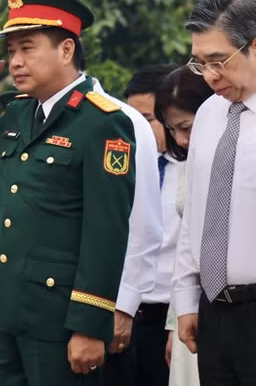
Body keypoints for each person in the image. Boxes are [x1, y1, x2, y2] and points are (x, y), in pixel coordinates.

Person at [0, 0, 136, 386]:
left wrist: (88, 324)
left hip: (61, 321)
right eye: (12, 51)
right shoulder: (16, 115)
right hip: (9, 314)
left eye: (27, 49)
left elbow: (107, 231)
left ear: (67, 49)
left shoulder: (103, 123)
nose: (15, 62)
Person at [174, 0, 256, 385]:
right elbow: (196, 216)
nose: (209, 76)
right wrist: (187, 301)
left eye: (218, 61)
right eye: (200, 63)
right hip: (213, 313)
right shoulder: (208, 114)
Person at [98, 65, 176, 386]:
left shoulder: (191, 169)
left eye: (146, 119)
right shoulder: (118, 169)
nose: (136, 129)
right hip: (117, 313)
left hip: (167, 319)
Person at [154, 66, 212, 386]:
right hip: (189, 309)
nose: (181, 140)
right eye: (173, 129)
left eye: (186, 127)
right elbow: (185, 251)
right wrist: (175, 322)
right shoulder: (186, 165)